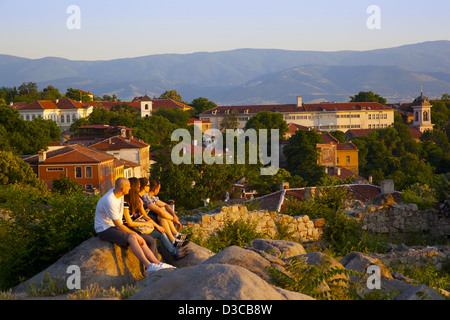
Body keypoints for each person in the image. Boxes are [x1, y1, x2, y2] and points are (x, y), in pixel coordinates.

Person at [94, 177, 175, 275]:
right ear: (123, 189)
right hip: (105, 229)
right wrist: (135, 234)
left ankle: (158, 263)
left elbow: (128, 207)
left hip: (113, 226)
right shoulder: (110, 200)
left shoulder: (118, 193)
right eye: (129, 187)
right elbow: (119, 225)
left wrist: (139, 202)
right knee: (133, 237)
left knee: (140, 238)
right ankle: (149, 266)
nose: (130, 188)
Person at [124, 177, 189, 260]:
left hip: (138, 225)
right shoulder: (127, 202)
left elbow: (144, 215)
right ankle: (174, 253)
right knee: (158, 235)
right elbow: (130, 222)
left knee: (160, 230)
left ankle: (174, 248)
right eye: (138, 186)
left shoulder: (137, 199)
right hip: (133, 229)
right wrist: (149, 224)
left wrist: (156, 226)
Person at [142, 179, 191, 248]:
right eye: (159, 189)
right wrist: (174, 219)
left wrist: (174, 215)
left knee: (163, 209)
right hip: (146, 219)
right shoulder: (146, 197)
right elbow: (160, 212)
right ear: (155, 189)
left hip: (150, 217)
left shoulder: (151, 196)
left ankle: (175, 235)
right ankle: (173, 239)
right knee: (162, 214)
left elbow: (165, 205)